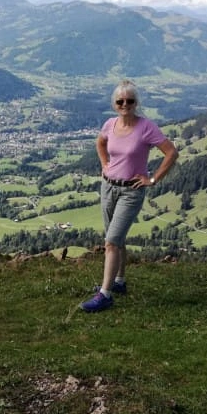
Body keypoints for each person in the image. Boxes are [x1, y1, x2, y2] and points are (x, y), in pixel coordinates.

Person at [80, 79, 178, 313]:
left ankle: (105, 295)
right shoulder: (110, 124)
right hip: (108, 187)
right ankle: (119, 281)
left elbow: (171, 152)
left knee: (112, 241)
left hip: (131, 191)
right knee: (117, 239)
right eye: (120, 101)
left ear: (136, 103)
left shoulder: (146, 127)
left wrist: (152, 179)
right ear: (114, 104)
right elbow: (100, 143)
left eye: (130, 101)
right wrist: (104, 164)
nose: (125, 104)